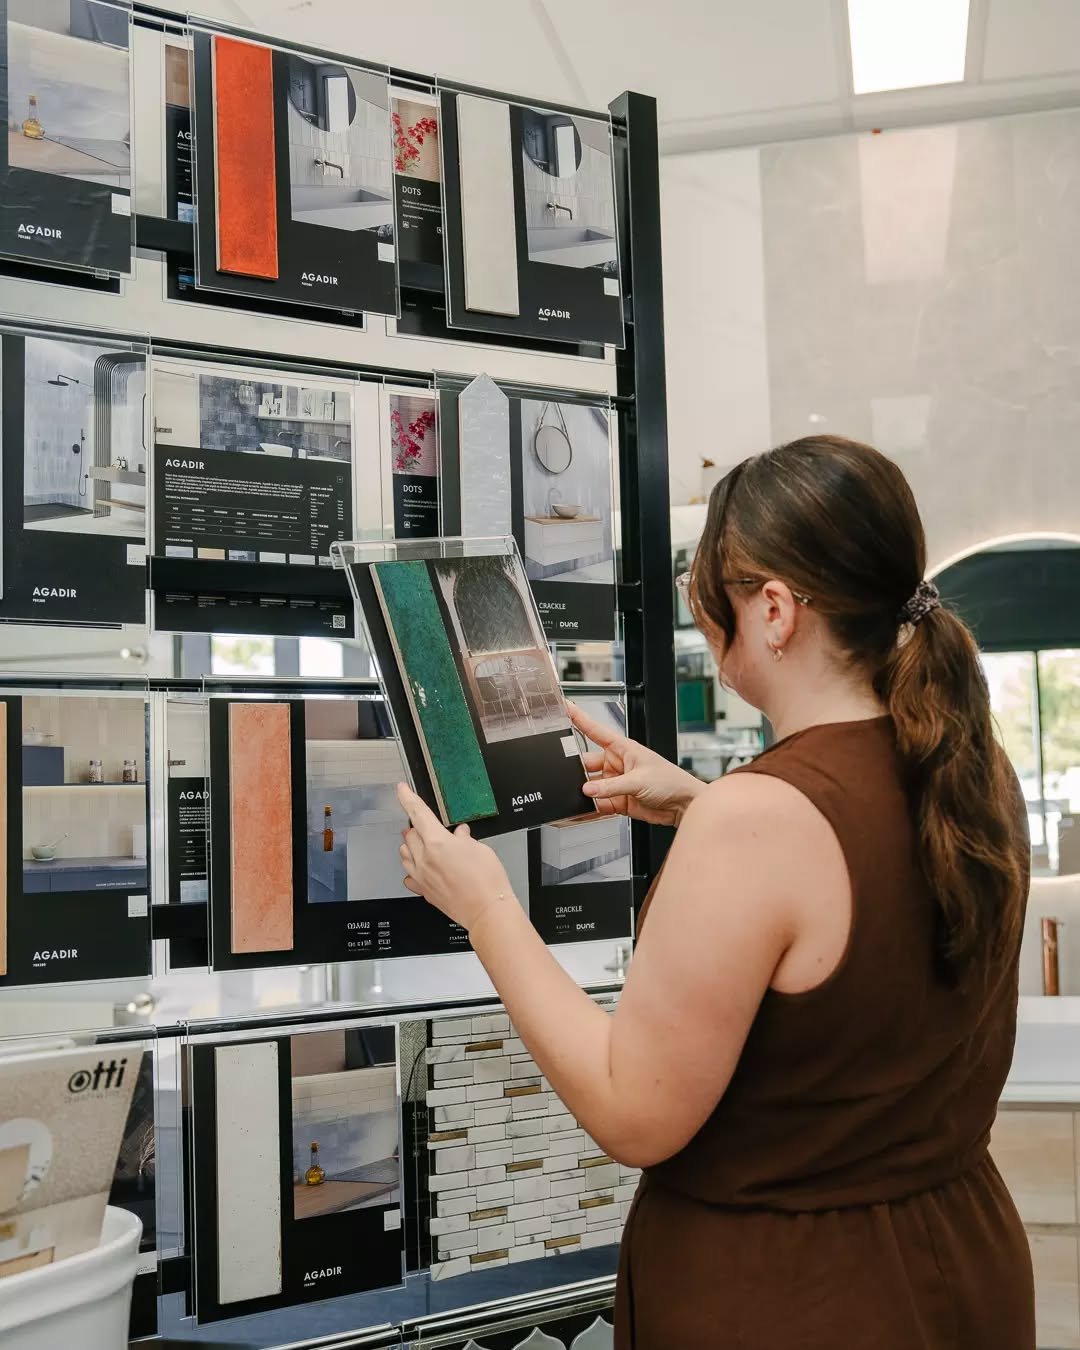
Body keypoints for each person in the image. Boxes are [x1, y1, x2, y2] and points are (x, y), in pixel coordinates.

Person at [397, 434, 1034, 1348]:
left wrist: (488, 910)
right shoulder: (976, 773)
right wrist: (695, 803)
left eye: (709, 601)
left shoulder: (757, 823)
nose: (704, 624)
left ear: (775, 610)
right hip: (961, 1266)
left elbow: (634, 1111)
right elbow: (859, 899)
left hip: (796, 1298)